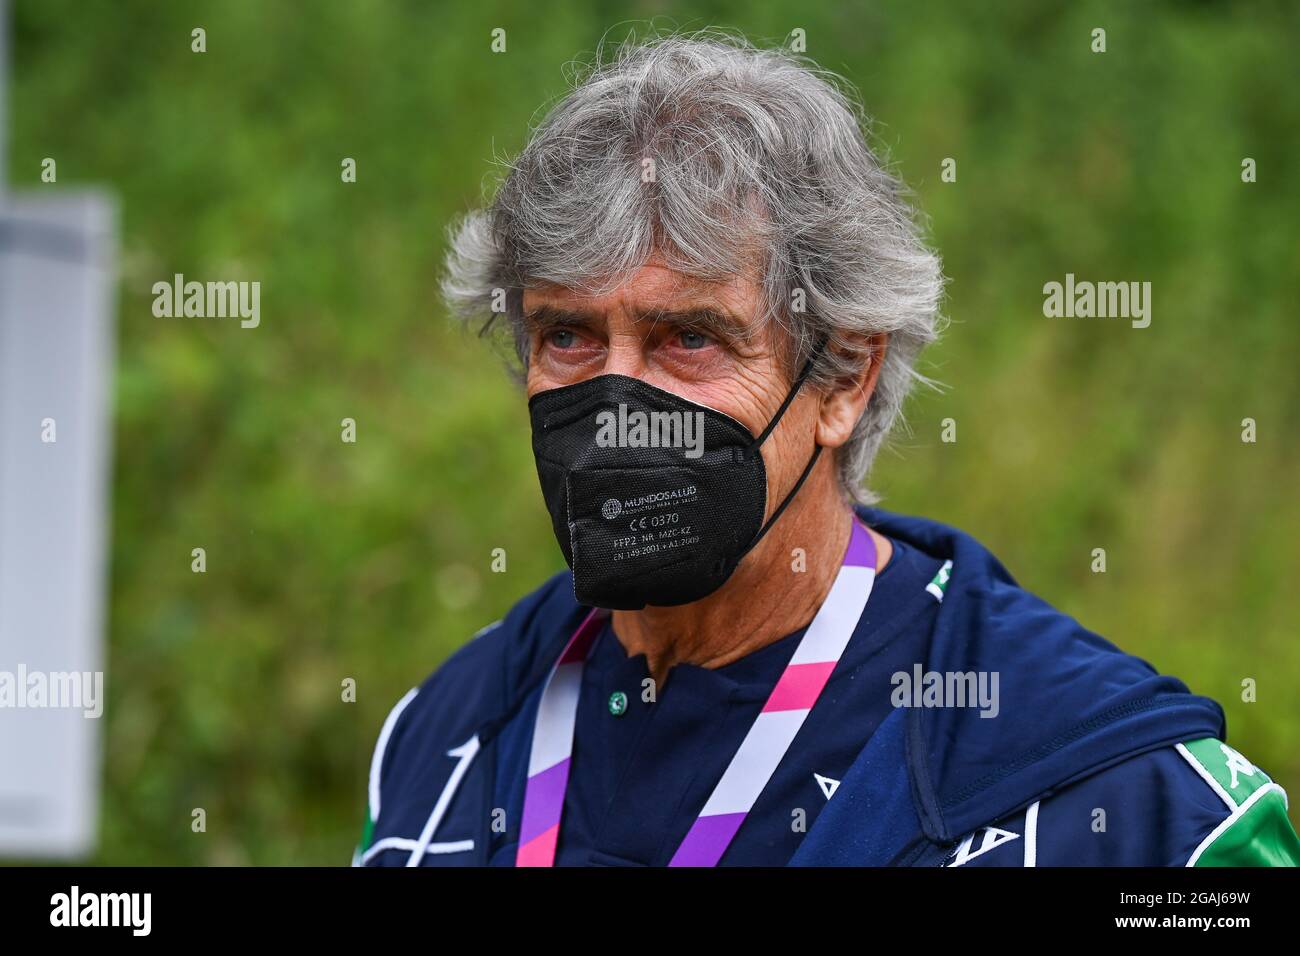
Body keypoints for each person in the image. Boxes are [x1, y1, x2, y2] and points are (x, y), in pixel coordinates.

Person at [355, 32, 1298, 867]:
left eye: (690, 339)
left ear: (842, 376)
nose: (619, 406)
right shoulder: (445, 742)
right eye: (568, 336)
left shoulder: (1127, 804)